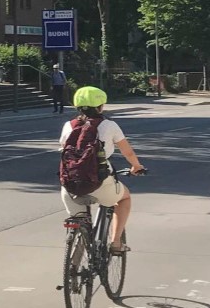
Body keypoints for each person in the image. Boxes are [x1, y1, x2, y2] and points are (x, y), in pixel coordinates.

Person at [58, 86, 145, 254]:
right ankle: (116, 243)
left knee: (80, 224)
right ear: (100, 106)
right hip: (100, 182)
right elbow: (128, 152)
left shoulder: (68, 126)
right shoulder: (109, 125)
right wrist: (136, 166)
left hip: (70, 186)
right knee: (124, 198)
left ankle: (73, 273)